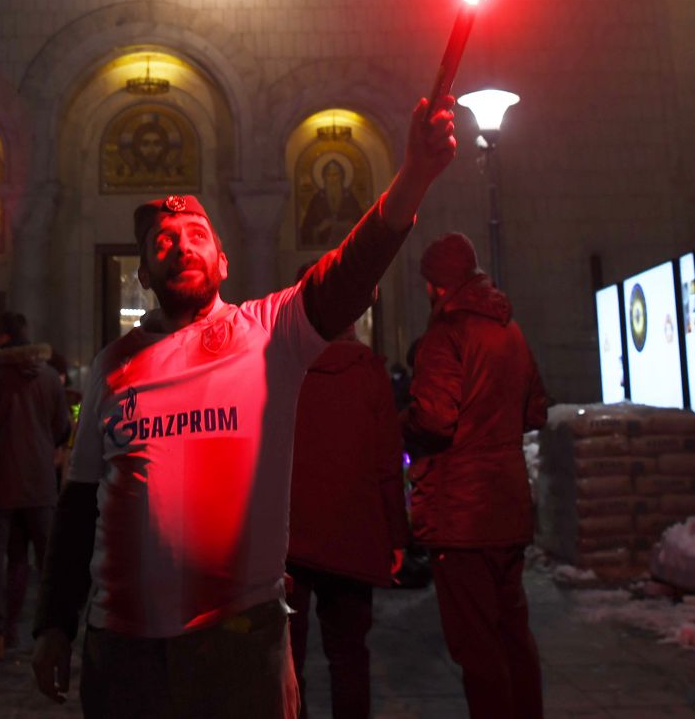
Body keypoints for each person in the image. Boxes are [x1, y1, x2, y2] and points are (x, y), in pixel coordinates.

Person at [32, 94, 456, 717]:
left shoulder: (269, 333)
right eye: (163, 241)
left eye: (196, 235)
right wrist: (54, 625)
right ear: (143, 273)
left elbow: (348, 272)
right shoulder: (111, 365)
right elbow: (78, 507)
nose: (180, 246)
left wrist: (414, 174)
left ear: (223, 262)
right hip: (122, 648)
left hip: (236, 645)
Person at [405, 233, 549, 719]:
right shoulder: (510, 330)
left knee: (477, 646)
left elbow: (433, 419)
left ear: (437, 285)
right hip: (507, 507)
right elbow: (536, 410)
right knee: (513, 633)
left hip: (461, 515)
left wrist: (398, 423)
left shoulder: (446, 335)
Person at [285, 304, 408, 719]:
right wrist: (396, 536)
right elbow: (387, 463)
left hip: (288, 540)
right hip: (351, 536)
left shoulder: (280, 371)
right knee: (350, 657)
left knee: (287, 660)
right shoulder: (368, 371)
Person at [0, 310, 69, 664]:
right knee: (48, 560)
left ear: (2, 336)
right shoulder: (48, 377)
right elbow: (62, 425)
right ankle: (55, 631)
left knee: (4, 560)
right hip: (39, 481)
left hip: (0, 479)